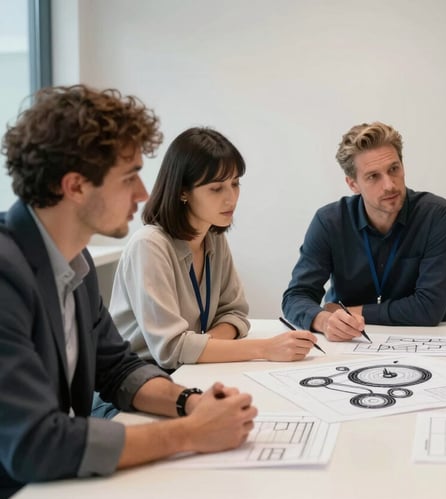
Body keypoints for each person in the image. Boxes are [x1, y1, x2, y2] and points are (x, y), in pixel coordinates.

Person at [0, 85, 256, 496]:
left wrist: (190, 402)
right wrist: (190, 433)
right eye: (129, 177)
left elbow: (118, 370)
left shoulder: (75, 265)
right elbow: (34, 443)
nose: (143, 193)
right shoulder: (6, 276)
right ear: (76, 186)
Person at [110, 127, 317, 371]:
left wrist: (198, 348)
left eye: (235, 183)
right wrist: (265, 349)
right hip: (135, 376)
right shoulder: (149, 245)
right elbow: (171, 349)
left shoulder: (213, 237)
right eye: (216, 188)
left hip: (186, 368)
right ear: (183, 192)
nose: (231, 198)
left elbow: (235, 313)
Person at [282, 121, 446, 341]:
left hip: (423, 339)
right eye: (373, 176)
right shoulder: (330, 222)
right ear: (353, 184)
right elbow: (296, 296)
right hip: (350, 340)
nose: (389, 185)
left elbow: (429, 309)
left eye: (394, 169)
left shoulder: (435, 214)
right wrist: (325, 320)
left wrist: (347, 311)